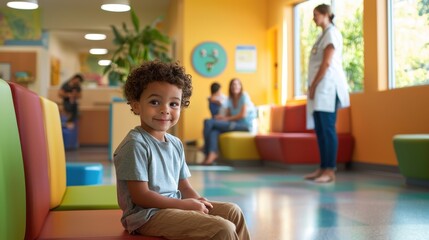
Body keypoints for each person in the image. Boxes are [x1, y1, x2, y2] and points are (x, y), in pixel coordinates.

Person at [113, 61, 250, 240]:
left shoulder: (175, 143)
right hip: (146, 215)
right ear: (136, 105)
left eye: (174, 104)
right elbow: (141, 196)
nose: (165, 110)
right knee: (222, 228)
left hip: (173, 206)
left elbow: (184, 186)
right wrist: (185, 206)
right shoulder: (135, 144)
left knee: (233, 212)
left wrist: (199, 202)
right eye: (155, 102)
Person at [304, 4, 350, 183]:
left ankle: (330, 170)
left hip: (328, 88)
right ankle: (323, 167)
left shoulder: (331, 33)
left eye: (316, 15)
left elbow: (326, 63)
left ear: (326, 15)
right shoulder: (322, 35)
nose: (313, 18)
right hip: (321, 89)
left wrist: (314, 85)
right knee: (321, 130)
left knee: (328, 130)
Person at [202, 78, 256, 165]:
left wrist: (226, 119)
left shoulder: (244, 96)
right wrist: (221, 117)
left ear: (241, 86)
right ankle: (212, 154)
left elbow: (243, 115)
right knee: (214, 131)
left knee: (209, 122)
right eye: (233, 84)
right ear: (230, 87)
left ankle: (205, 151)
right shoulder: (230, 99)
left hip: (245, 126)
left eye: (237, 84)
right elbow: (228, 115)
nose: (235, 86)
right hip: (235, 124)